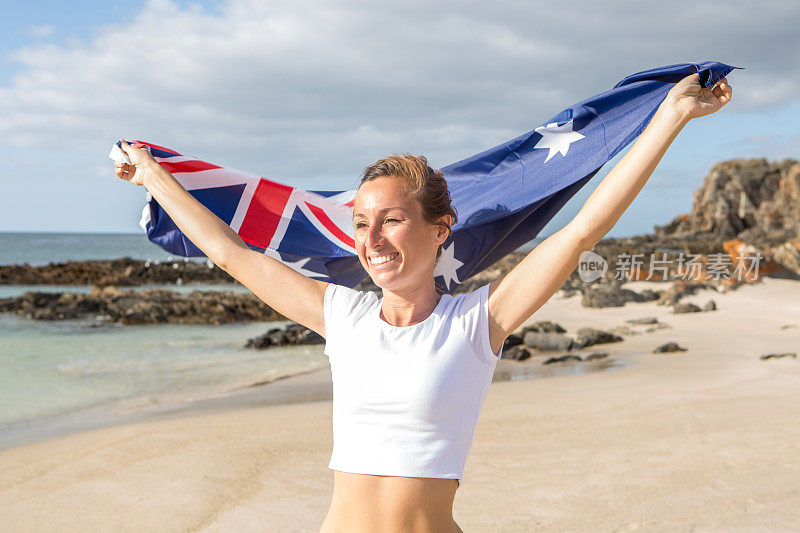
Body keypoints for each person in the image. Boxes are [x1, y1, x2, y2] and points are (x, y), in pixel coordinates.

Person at [114, 72, 731, 532]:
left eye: (391, 221)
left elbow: (580, 232)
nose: (372, 239)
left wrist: (670, 117)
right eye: (360, 224)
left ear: (441, 229)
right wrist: (151, 174)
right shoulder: (343, 317)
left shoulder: (476, 323)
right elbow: (232, 253)